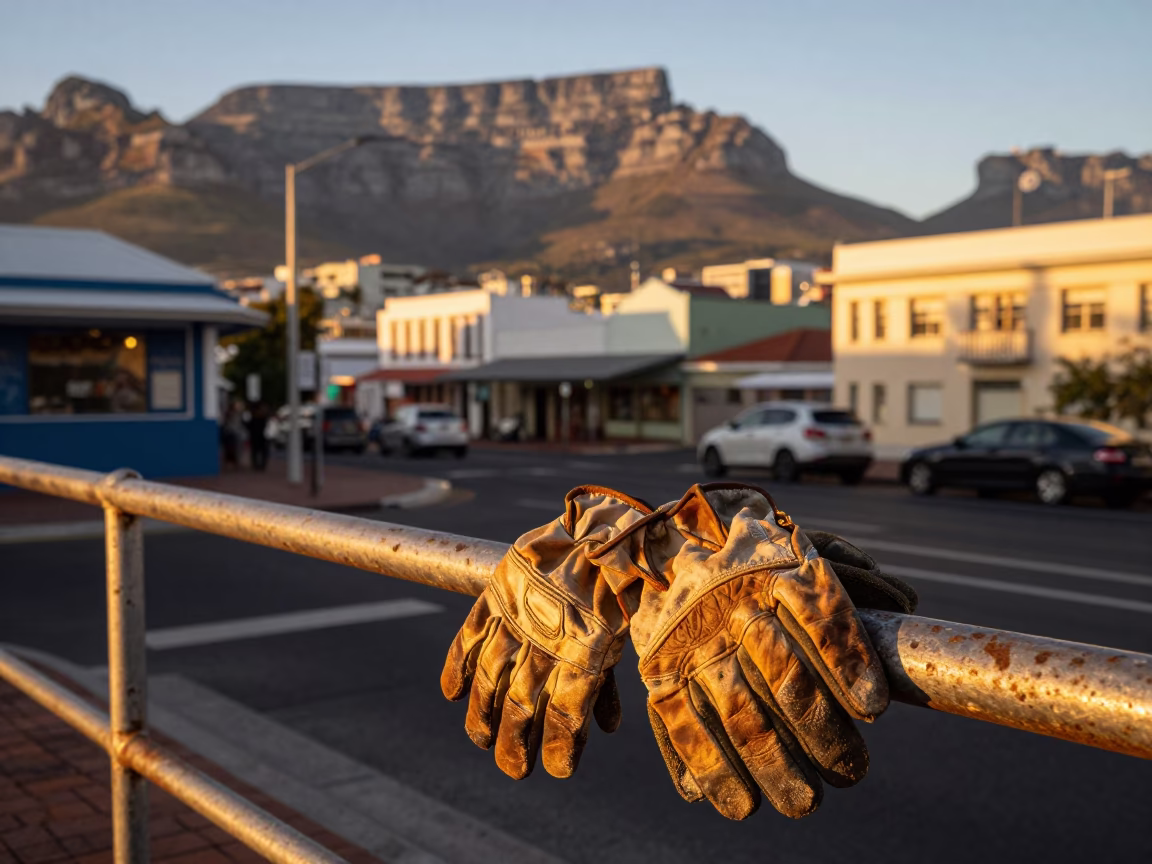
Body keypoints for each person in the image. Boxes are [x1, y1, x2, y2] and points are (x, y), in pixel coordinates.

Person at [246, 402, 270, 471]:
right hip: (258, 437)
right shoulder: (258, 418)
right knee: (257, 452)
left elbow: (248, 426)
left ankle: (259, 465)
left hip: (260, 437)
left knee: (259, 452)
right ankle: (257, 465)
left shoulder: (261, 418)